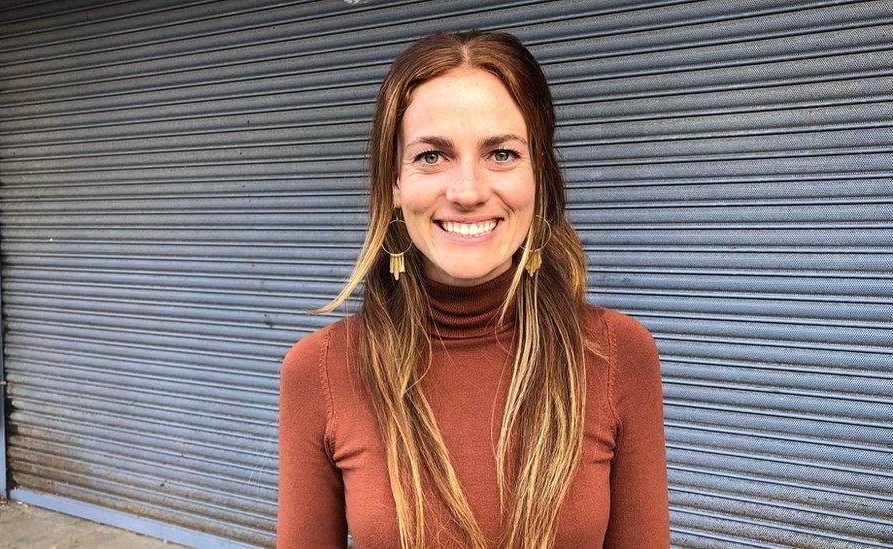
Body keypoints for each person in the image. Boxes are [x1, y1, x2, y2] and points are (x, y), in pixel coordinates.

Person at [276, 30, 670, 549]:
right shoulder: (320, 369)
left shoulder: (618, 353)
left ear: (541, 178)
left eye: (501, 154)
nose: (468, 191)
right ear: (394, 183)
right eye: (431, 156)